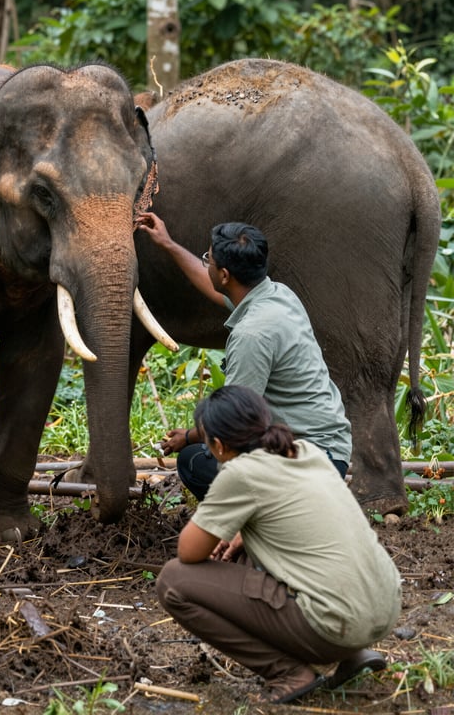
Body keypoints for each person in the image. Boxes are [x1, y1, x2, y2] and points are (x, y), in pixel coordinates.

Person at [156, 385, 399, 704]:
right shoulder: (305, 452)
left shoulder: (240, 473)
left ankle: (287, 672)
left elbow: (189, 552)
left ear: (218, 445)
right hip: (385, 607)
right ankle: (350, 653)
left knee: (173, 581)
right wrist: (242, 532)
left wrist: (228, 521)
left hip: (336, 623)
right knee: (254, 550)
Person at [135, 213, 352, 500]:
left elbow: (233, 422)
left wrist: (187, 437)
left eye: (209, 260)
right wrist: (169, 244)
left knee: (195, 461)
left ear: (225, 276)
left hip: (310, 461)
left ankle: (267, 520)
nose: (206, 265)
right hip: (331, 447)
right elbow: (213, 286)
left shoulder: (252, 335)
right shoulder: (278, 295)